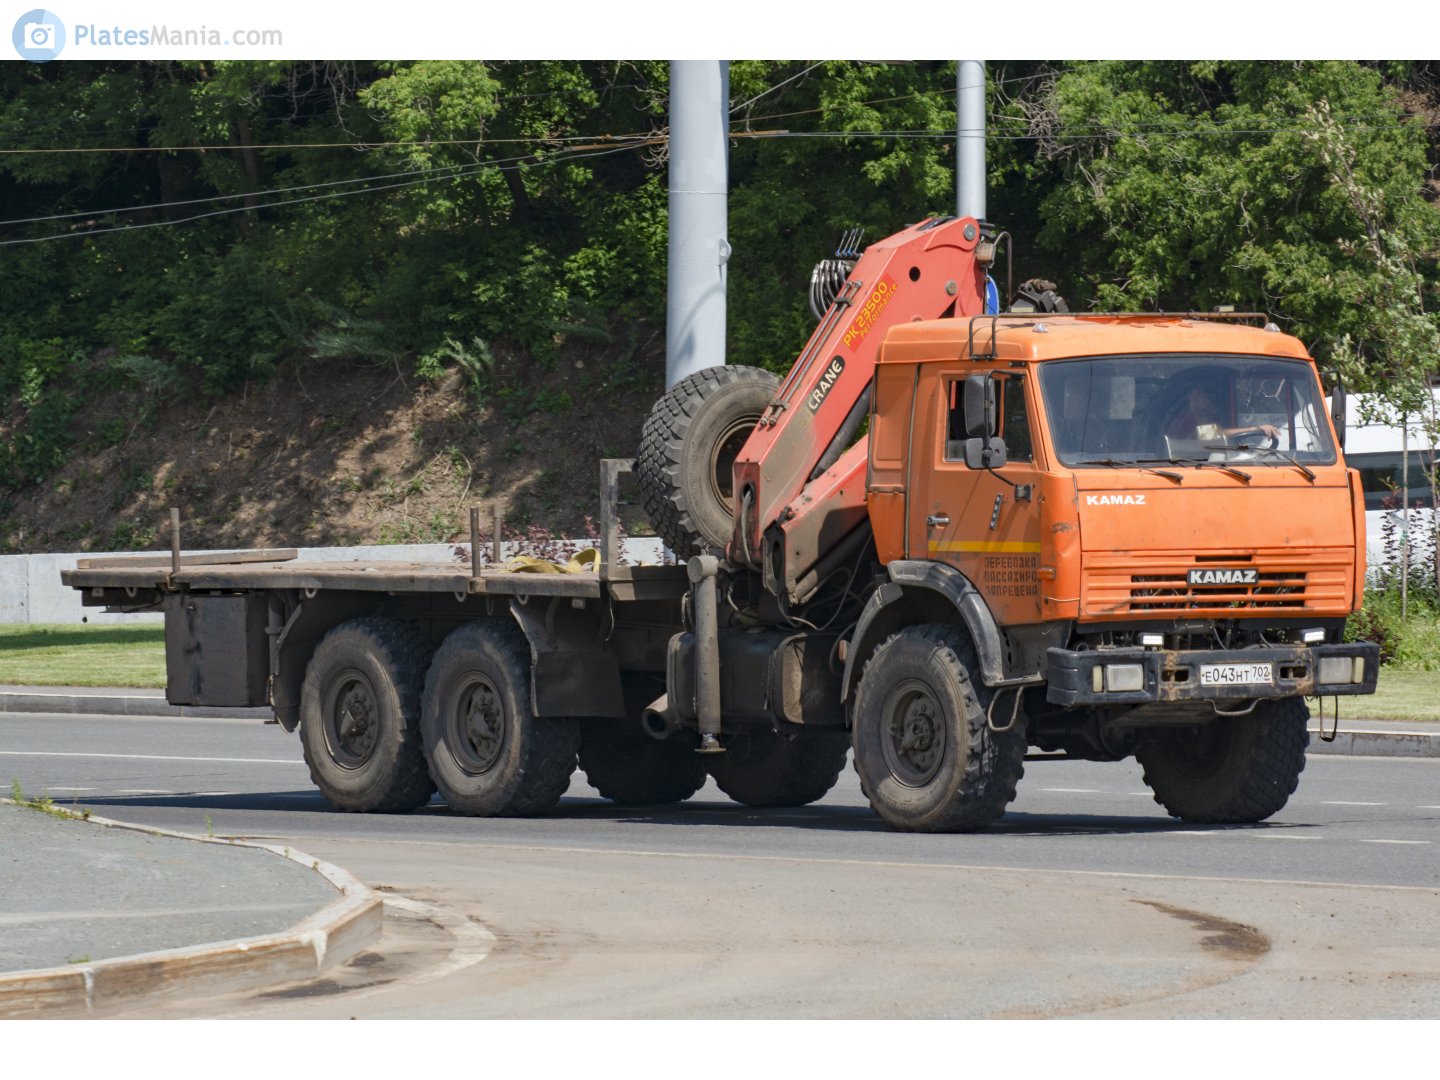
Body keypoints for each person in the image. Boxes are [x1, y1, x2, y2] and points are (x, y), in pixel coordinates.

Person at [1166, 381, 1279, 443]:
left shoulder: (1205, 414)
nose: (1211, 398)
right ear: (1192, 396)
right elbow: (1213, 434)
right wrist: (1255, 429)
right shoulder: (1186, 417)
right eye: (1206, 393)